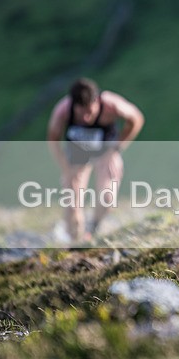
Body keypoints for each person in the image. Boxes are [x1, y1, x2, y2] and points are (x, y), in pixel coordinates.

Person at [47, 77, 144, 242]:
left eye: (89, 112)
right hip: (77, 155)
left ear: (96, 101)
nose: (85, 118)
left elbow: (136, 119)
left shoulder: (111, 104)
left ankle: (93, 228)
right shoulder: (63, 109)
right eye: (80, 112)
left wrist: (118, 147)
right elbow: (52, 138)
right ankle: (74, 242)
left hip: (105, 152)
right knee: (72, 205)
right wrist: (65, 168)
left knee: (107, 198)